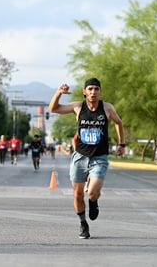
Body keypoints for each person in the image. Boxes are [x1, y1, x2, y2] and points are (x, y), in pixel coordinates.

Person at [48, 77, 125, 239]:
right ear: (84, 92)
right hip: (80, 157)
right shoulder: (78, 107)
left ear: (100, 92)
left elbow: (119, 123)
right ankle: (83, 224)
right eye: (90, 89)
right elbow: (53, 108)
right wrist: (58, 93)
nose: (93, 92)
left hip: (99, 157)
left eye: (96, 89)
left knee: (92, 192)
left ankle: (93, 201)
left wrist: (121, 144)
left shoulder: (107, 108)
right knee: (77, 195)